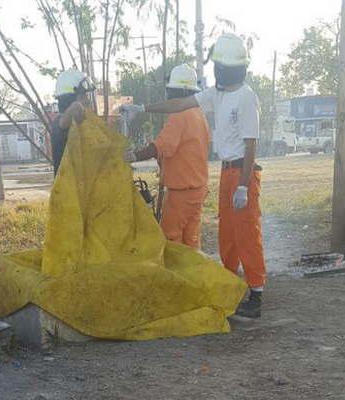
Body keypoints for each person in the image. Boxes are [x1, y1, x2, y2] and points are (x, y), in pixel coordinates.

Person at [121, 33, 266, 318]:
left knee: (246, 232)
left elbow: (251, 145)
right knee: (228, 235)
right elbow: (180, 104)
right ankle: (229, 286)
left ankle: (256, 294)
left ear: (224, 67)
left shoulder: (247, 98)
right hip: (225, 172)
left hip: (240, 173)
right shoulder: (216, 94)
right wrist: (144, 108)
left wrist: (243, 186)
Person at [125, 64, 210, 249]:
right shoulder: (198, 115)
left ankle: (177, 277)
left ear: (176, 92)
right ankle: (193, 276)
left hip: (181, 194)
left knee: (172, 242)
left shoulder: (180, 116)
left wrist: (133, 156)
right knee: (191, 241)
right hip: (197, 190)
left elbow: (160, 147)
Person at [51, 69, 95, 175]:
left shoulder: (86, 125)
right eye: (83, 96)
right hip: (68, 189)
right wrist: (74, 107)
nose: (87, 100)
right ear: (69, 99)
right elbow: (63, 124)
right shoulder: (58, 123)